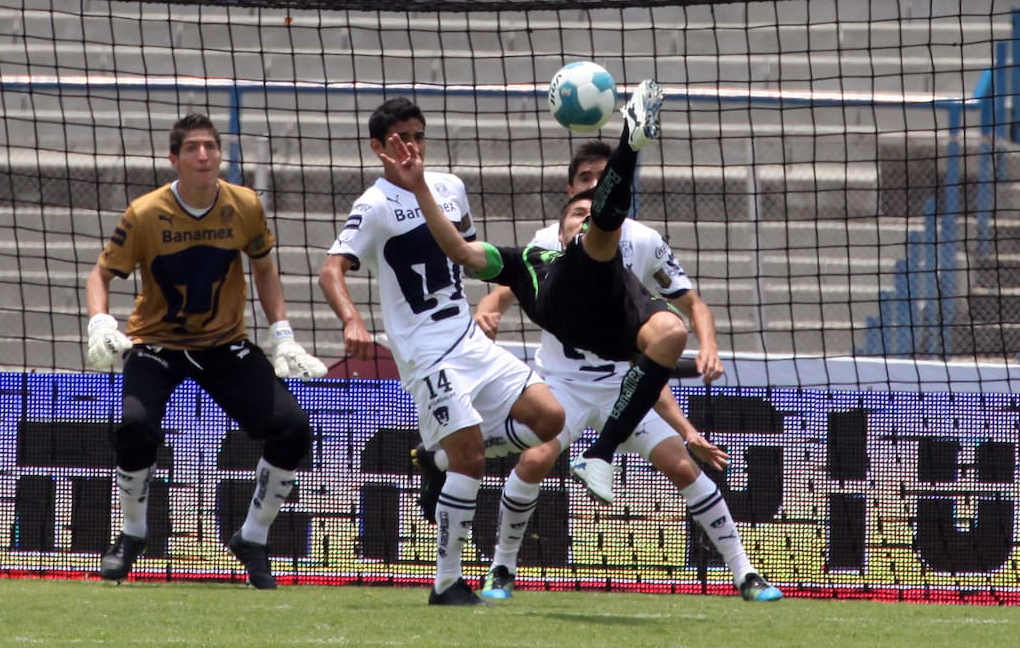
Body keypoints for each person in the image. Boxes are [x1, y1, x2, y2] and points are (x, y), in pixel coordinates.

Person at [469, 142, 781, 603]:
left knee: (682, 465)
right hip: (563, 384)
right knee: (533, 460)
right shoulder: (546, 241)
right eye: (585, 179)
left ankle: (744, 573)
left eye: (603, 178)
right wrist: (486, 311)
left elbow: (690, 305)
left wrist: (709, 348)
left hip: (623, 381)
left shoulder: (645, 240)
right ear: (570, 188)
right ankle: (502, 568)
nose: (594, 186)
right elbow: (500, 291)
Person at [382, 79, 705, 508]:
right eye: (578, 211)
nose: (585, 216)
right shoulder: (530, 257)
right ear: (560, 225)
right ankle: (631, 139)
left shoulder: (623, 250)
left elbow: (674, 318)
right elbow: (459, 250)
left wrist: (685, 419)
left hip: (617, 322)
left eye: (591, 211)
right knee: (538, 448)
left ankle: (599, 456)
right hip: (564, 309)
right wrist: (420, 186)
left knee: (671, 333)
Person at [319, 97, 565, 607]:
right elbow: (330, 269)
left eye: (417, 135)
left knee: (551, 419)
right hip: (425, 352)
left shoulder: (450, 188)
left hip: (468, 339)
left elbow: (467, 257)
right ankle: (447, 581)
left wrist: (488, 306)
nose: (411, 145)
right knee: (471, 459)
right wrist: (351, 319)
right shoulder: (374, 205)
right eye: (398, 138)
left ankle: (437, 456)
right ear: (377, 148)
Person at [84, 112, 327, 590]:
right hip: (157, 344)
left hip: (224, 345)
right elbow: (101, 274)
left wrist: (282, 335)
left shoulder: (245, 205)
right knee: (135, 427)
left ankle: (252, 537)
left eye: (210, 147)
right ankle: (132, 535)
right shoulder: (144, 213)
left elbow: (264, 269)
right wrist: (99, 322)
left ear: (221, 155)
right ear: (174, 159)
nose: (203, 155)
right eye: (192, 148)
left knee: (295, 431)